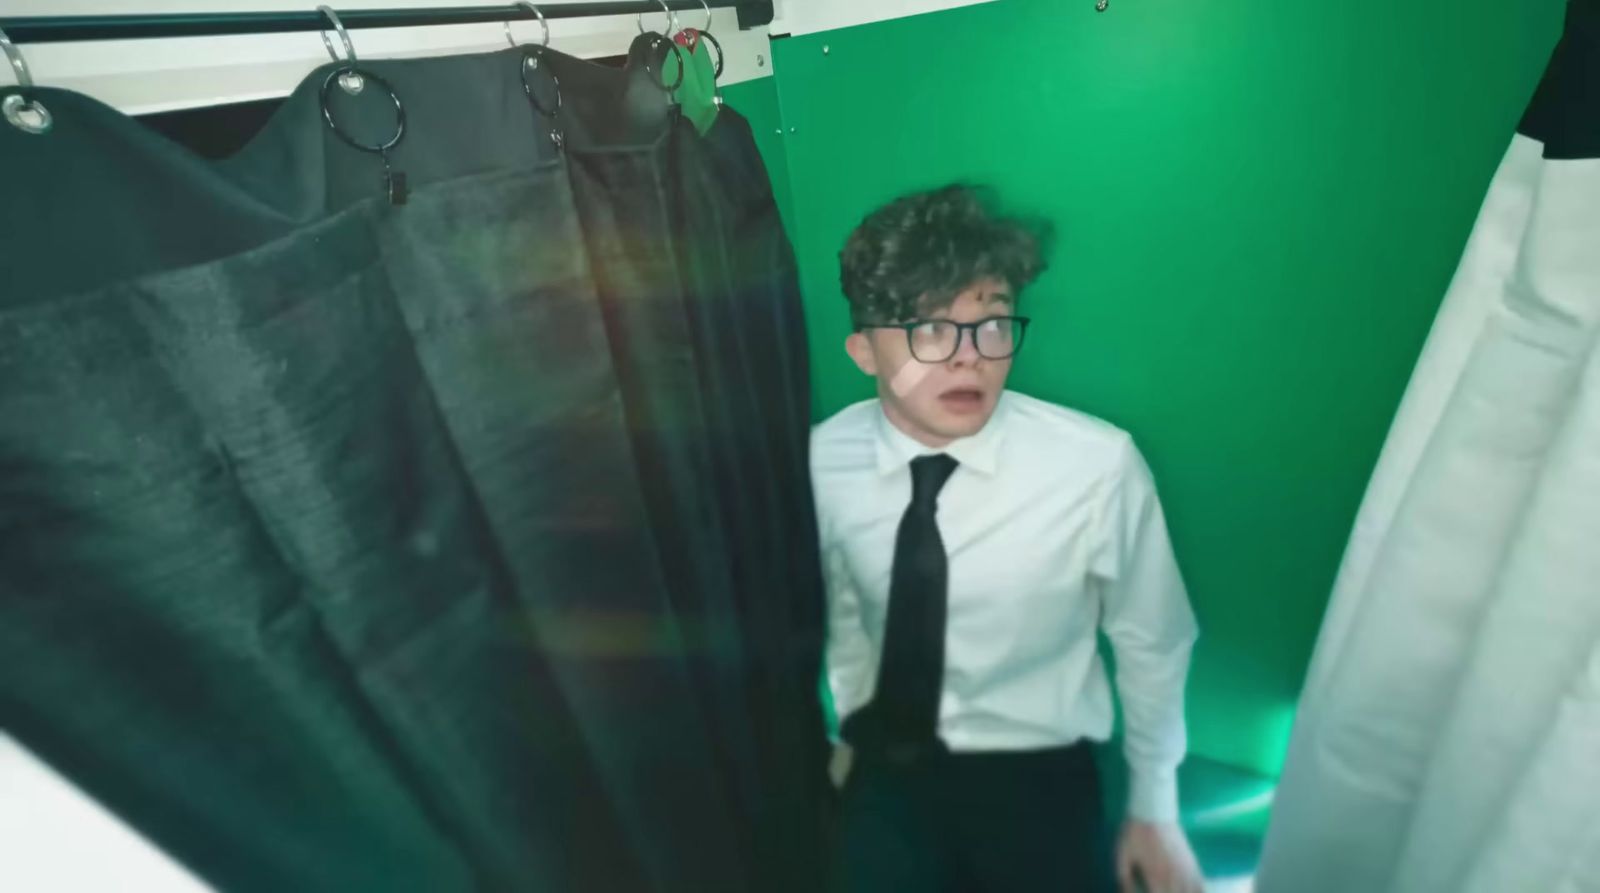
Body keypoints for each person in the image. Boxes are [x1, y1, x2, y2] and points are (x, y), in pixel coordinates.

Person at [812, 184, 1205, 893]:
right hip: (887, 774)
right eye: (930, 328)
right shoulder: (822, 461)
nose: (971, 357)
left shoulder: (1096, 465)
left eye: (992, 324)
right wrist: (846, 735)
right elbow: (844, 613)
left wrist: (1156, 809)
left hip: (1039, 773)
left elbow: (1155, 638)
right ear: (864, 350)